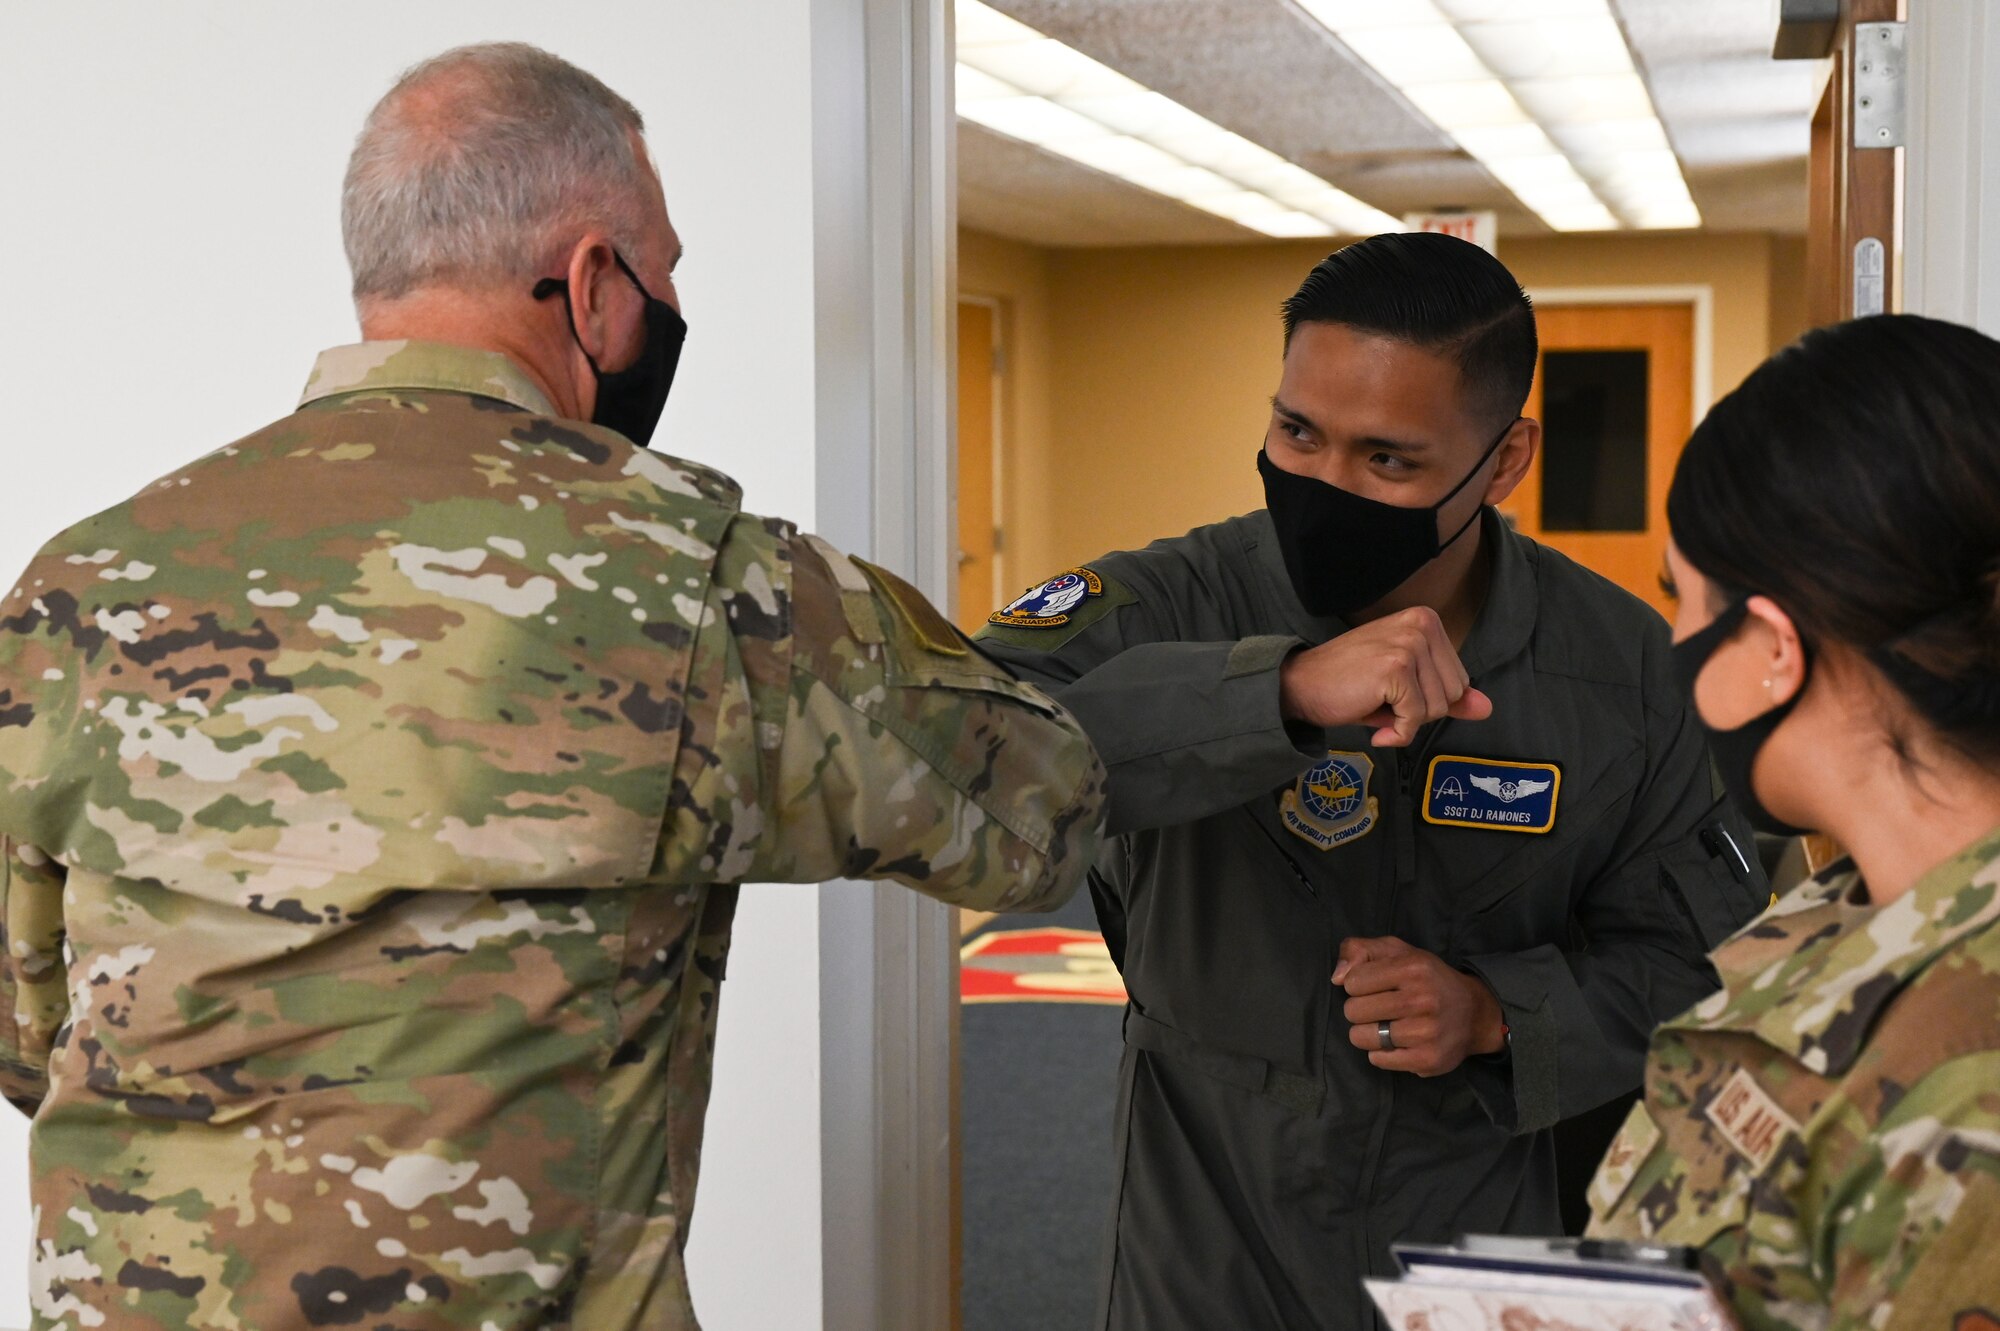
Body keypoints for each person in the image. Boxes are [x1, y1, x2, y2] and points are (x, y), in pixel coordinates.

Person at [0, 44, 1106, 1330]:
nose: (668, 304)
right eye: (665, 270)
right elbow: (1038, 817)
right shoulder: (701, 587)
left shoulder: (77, 583)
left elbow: (29, 1029)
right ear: (592, 283)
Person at [976, 233, 1768, 1330]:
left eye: (1385, 459)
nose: (1324, 483)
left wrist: (1502, 1012)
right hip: (1206, 1228)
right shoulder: (1169, 600)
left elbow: (1706, 973)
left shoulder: (1622, 667)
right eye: (1295, 431)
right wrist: (1276, 690)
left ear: (1502, 460)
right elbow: (960, 750)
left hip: (1478, 1236)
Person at [1586, 314, 2000, 1324]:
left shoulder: (1967, 1080)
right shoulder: (1842, 909)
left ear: (1771, 644)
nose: (1674, 642)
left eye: (1682, 600)